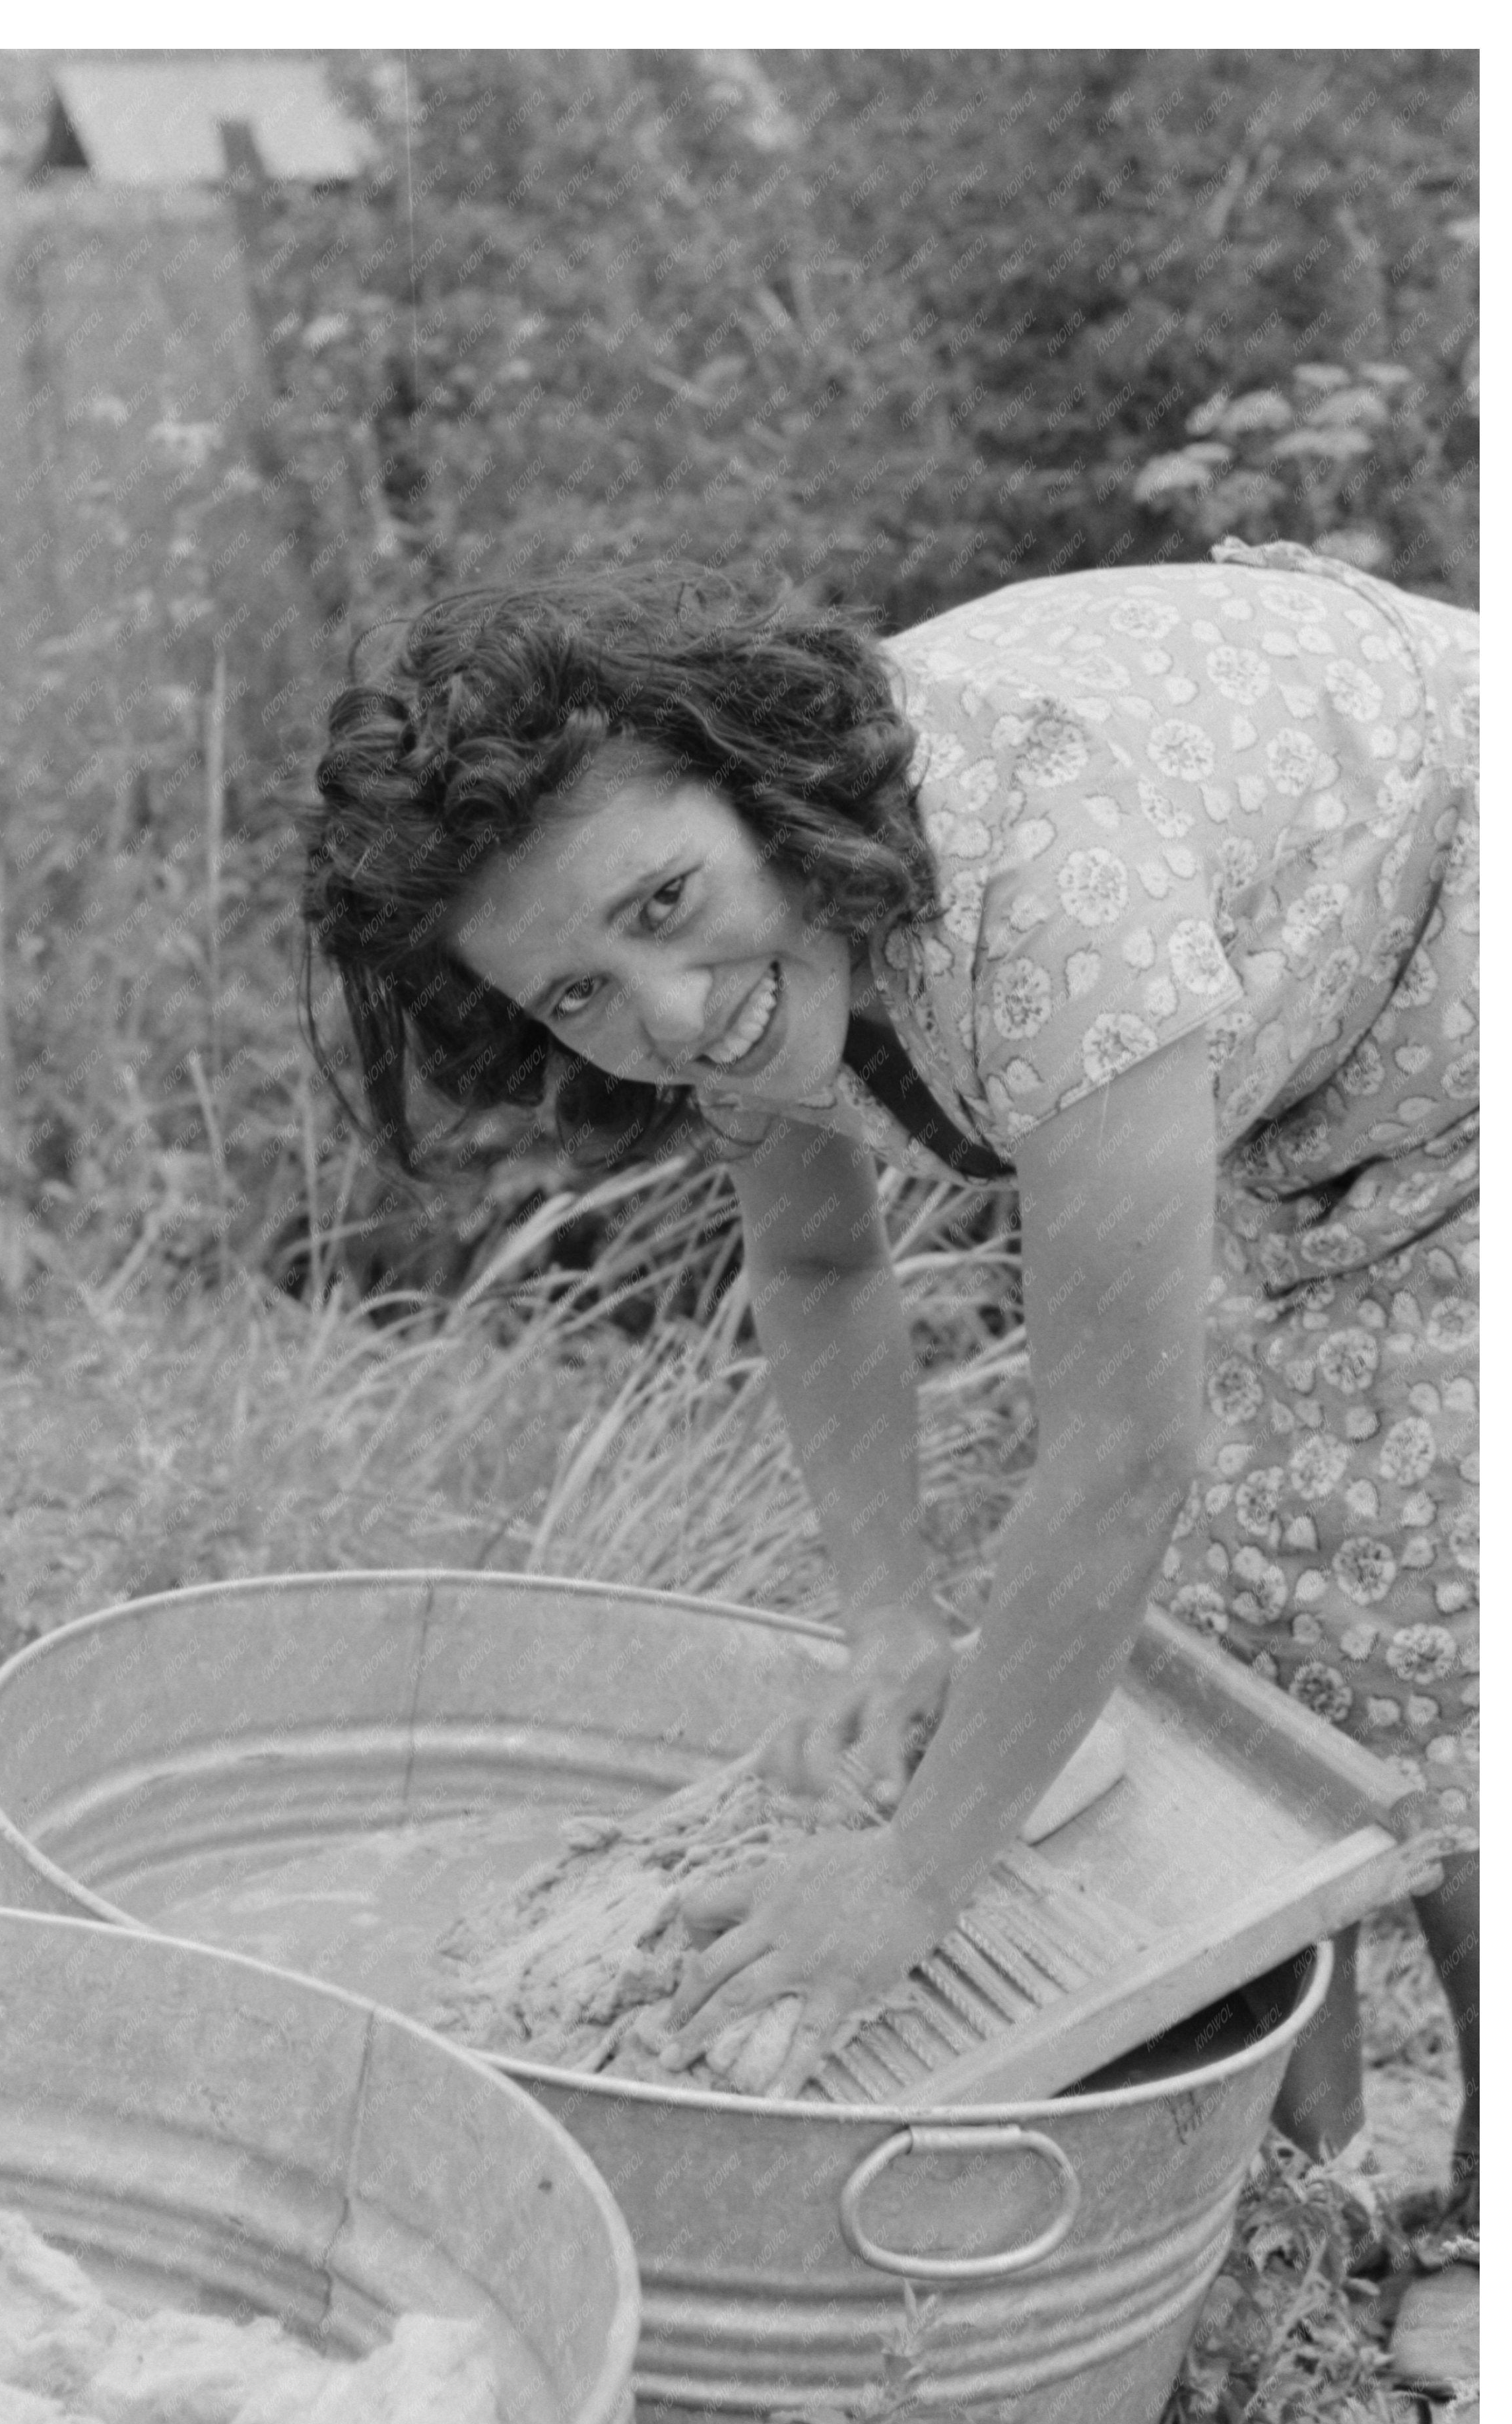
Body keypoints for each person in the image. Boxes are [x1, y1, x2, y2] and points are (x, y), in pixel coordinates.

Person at [301, 541, 1478, 2221]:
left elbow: (1121, 1459)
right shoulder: (733, 948)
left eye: (663, 906)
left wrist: (911, 1881)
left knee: (1435, 1626)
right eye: (577, 992)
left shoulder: (1054, 902)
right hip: (1315, 1039)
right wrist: (892, 1618)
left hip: (1463, 975)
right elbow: (818, 1261)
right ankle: (1303, 2189)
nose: (671, 1014)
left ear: (763, 789)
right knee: (1230, 1628)